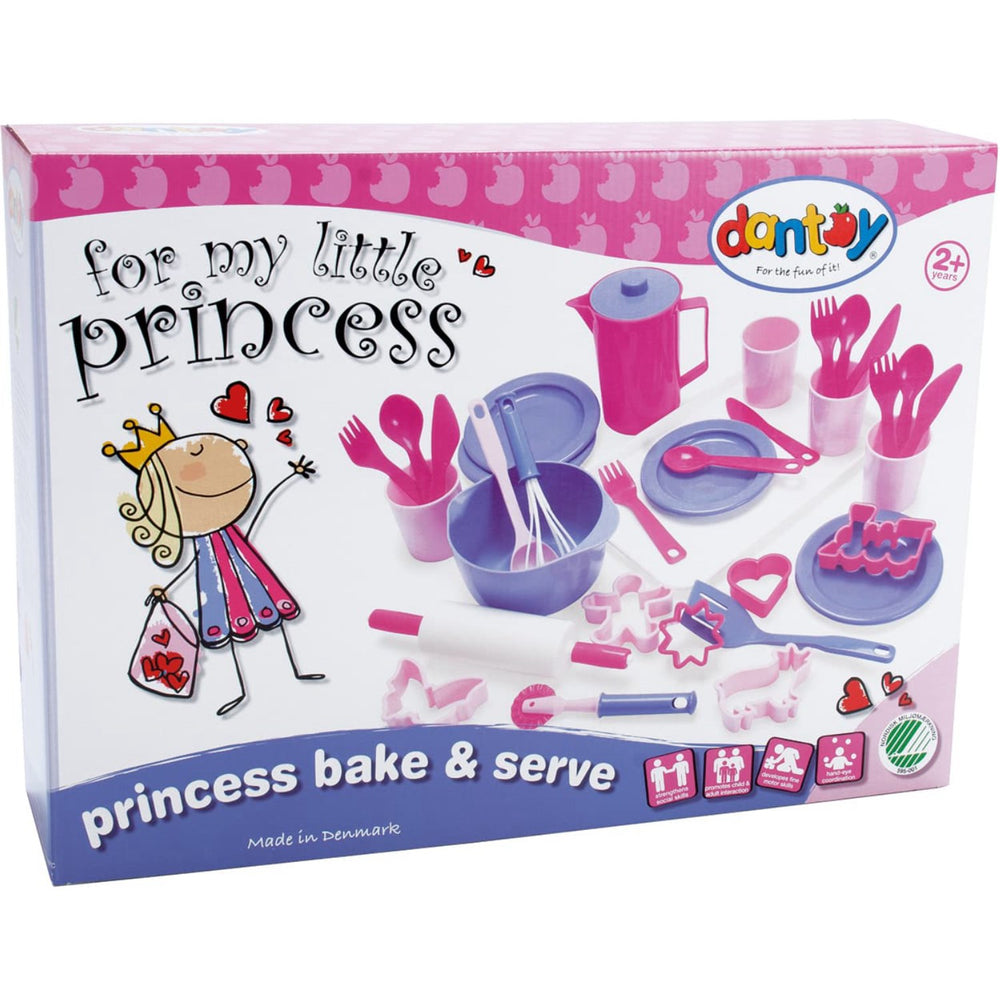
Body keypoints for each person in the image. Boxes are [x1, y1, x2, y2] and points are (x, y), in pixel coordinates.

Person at [103, 403, 323, 716]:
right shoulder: (199, 541)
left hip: (252, 574)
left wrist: (289, 478)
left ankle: (295, 670)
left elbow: (259, 511)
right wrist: (167, 588)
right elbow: (195, 565)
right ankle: (241, 690)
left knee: (274, 616)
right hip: (217, 588)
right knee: (232, 635)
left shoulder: (230, 529)